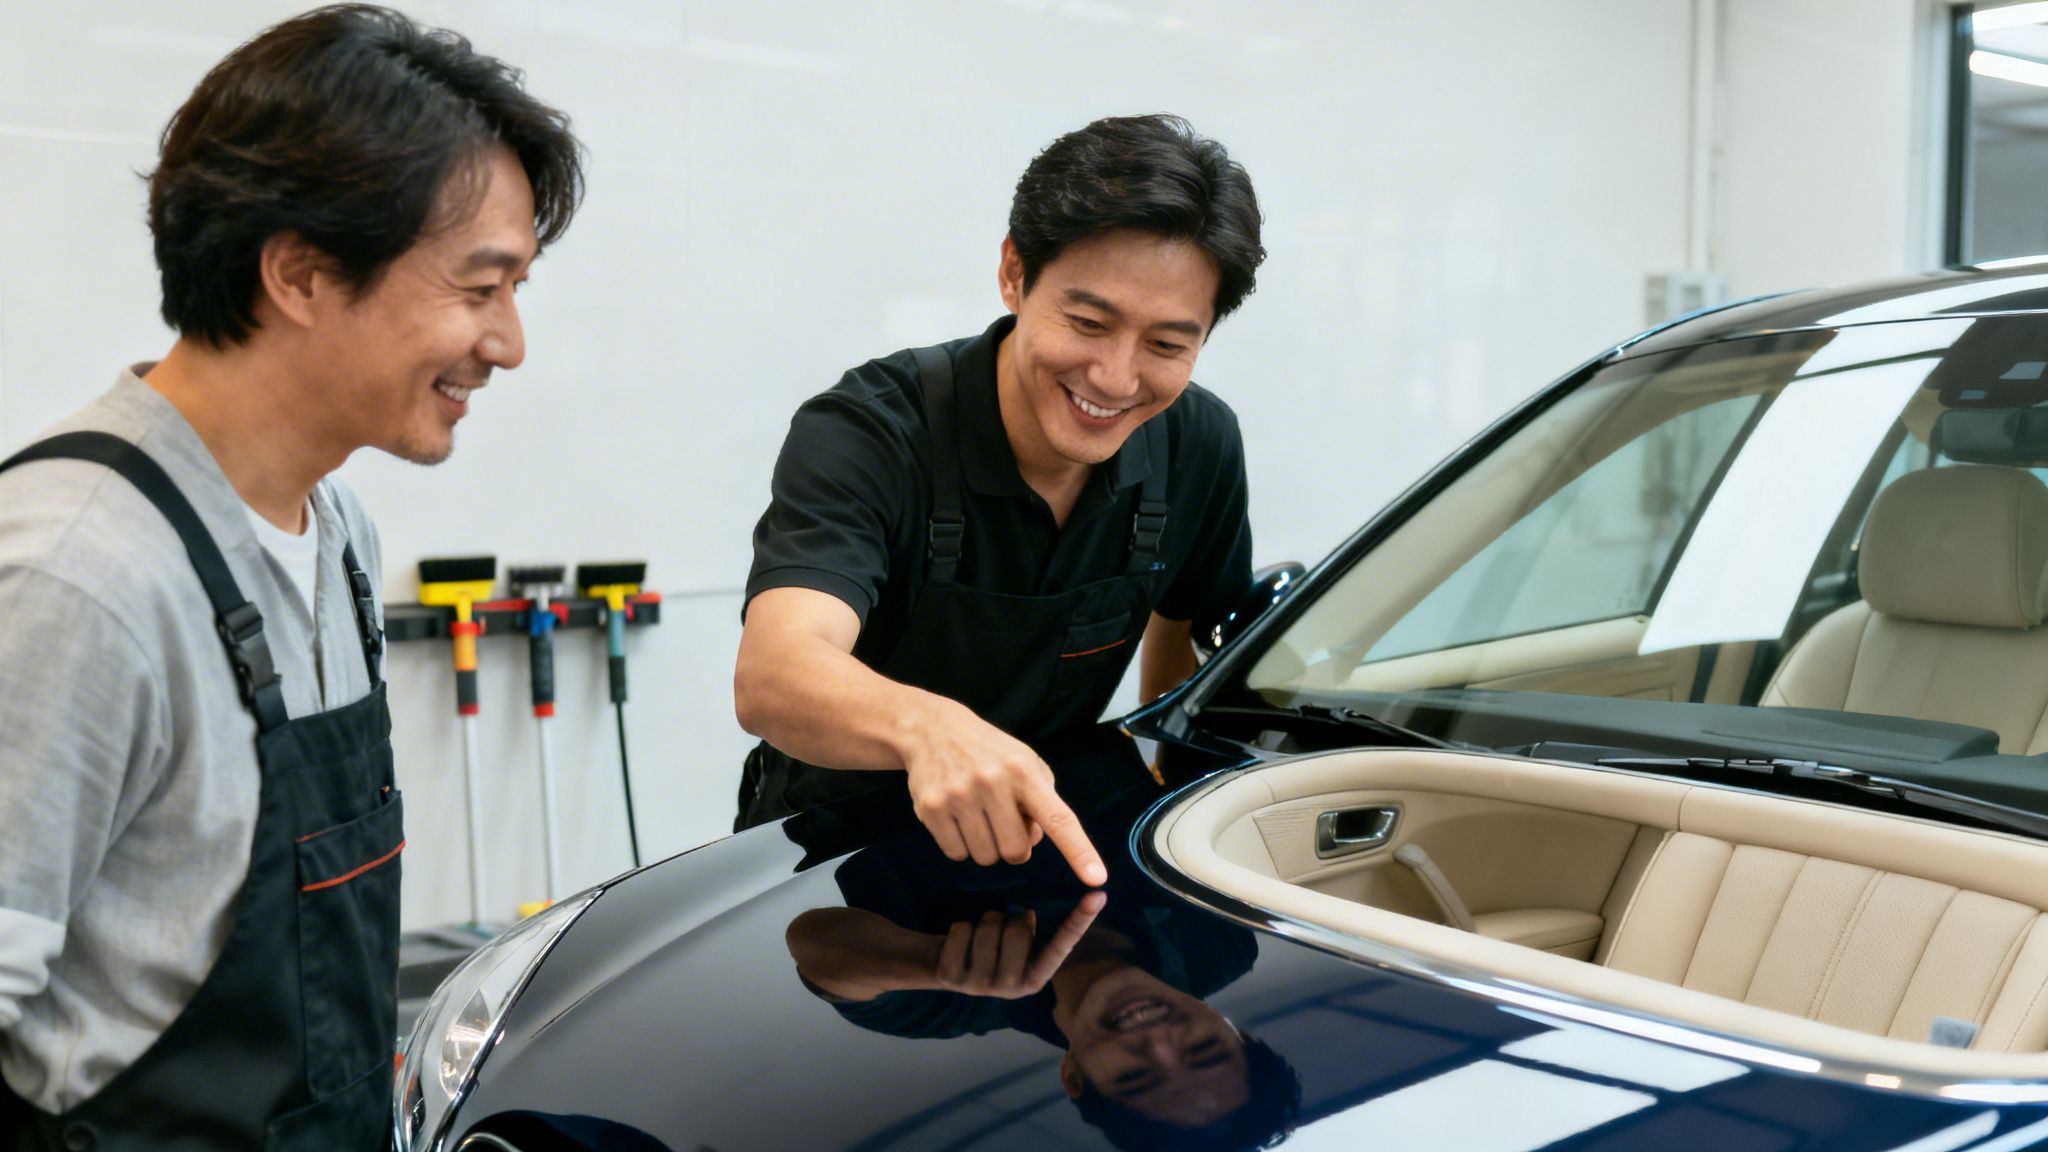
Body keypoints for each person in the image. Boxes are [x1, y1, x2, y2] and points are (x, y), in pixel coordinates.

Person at [0, 6, 582, 1148]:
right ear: (302, 274)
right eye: (479, 288)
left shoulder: (341, 537)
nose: (508, 342)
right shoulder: (76, 575)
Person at [734, 113, 1265, 884]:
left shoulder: (1199, 443)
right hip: (832, 870)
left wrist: (1161, 777)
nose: (1116, 379)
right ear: (1015, 273)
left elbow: (1185, 623)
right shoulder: (871, 431)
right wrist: (930, 729)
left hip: (1041, 855)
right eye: (1088, 322)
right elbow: (775, 670)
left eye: (1166, 345)